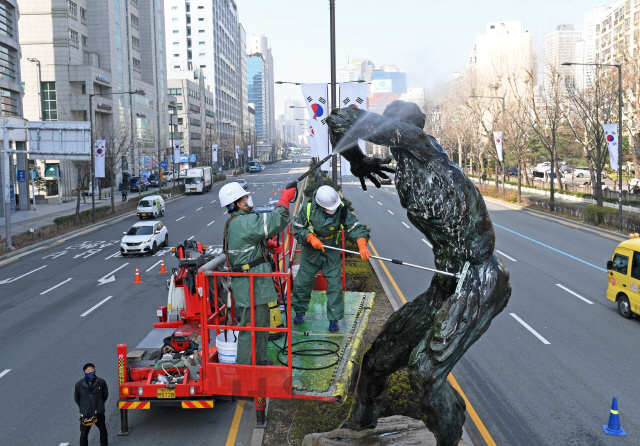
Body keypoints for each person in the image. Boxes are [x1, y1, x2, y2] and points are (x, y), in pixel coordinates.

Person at [220, 182, 297, 365]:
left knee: (261, 325)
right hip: (249, 283)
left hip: (254, 282)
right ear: (239, 203)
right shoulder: (242, 221)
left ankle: (259, 363)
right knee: (251, 328)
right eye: (245, 197)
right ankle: (246, 369)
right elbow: (274, 222)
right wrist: (284, 199)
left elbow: (245, 245)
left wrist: (265, 246)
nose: (248, 198)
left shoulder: (240, 220)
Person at [292, 185, 371, 333]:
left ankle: (334, 319)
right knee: (303, 281)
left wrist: (361, 243)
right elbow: (297, 228)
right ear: (320, 205)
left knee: (334, 285)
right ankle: (299, 311)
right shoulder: (308, 208)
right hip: (311, 251)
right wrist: (309, 237)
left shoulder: (341, 209)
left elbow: (355, 227)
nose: (331, 212)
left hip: (331, 250)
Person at [74, 363, 109, 446]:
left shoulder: (101, 382)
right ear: (84, 372)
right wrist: (84, 407)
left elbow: (105, 395)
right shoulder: (79, 385)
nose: (91, 372)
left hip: (98, 412)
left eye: (92, 369)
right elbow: (77, 398)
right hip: (86, 414)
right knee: (83, 435)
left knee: (103, 430)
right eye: (88, 370)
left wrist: (99, 405)